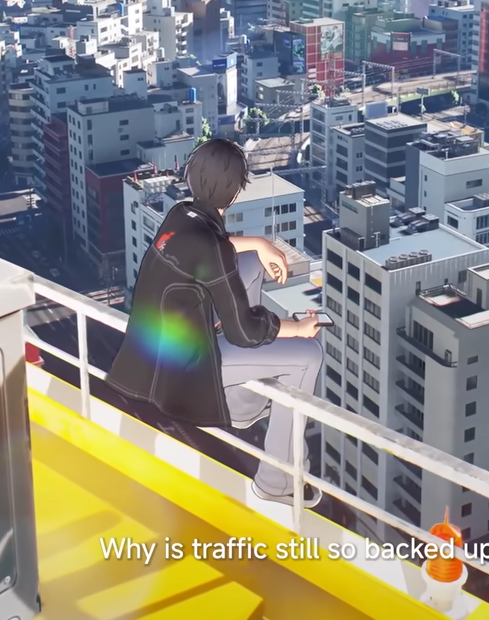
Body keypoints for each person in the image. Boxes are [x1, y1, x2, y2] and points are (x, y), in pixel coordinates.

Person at [107, 138, 327, 505]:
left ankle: (241, 404)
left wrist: (259, 244)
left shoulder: (181, 215)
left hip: (157, 354)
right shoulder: (211, 248)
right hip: (186, 369)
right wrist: (297, 328)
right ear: (236, 191)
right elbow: (245, 332)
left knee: (251, 264)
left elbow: (211, 248)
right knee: (308, 355)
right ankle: (278, 482)